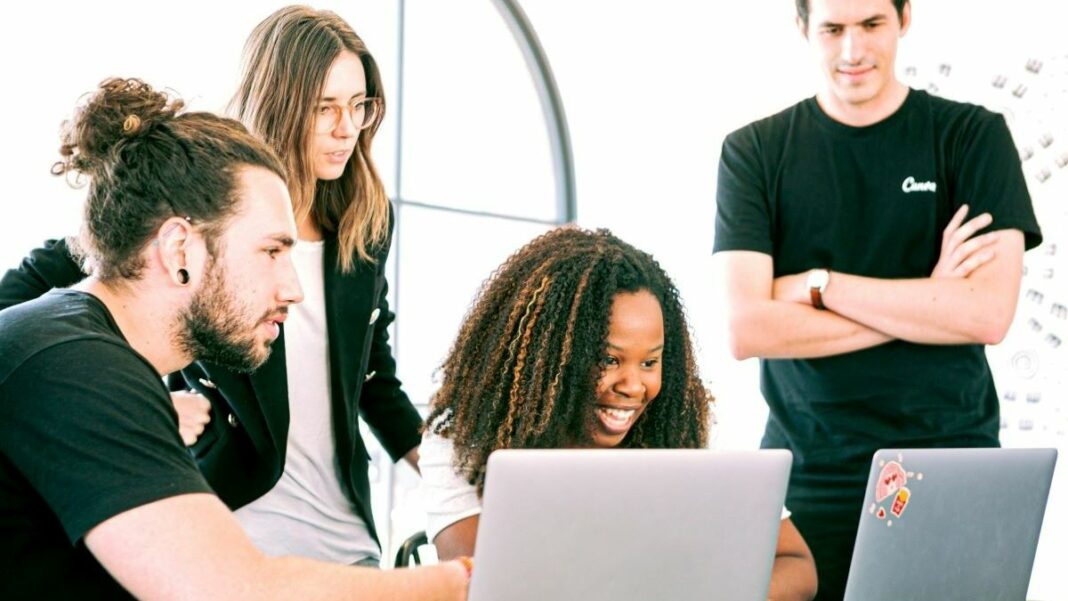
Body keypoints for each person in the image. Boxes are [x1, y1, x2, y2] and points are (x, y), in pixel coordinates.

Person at [0, 77, 468, 599]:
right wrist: (460, 581)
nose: (294, 289)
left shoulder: (90, 353)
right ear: (180, 249)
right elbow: (234, 590)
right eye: (271, 251)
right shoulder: (73, 366)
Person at [712, 0, 1042, 598]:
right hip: (807, 473)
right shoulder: (753, 153)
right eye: (833, 29)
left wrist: (819, 287)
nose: (852, 51)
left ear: (905, 18)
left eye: (871, 25)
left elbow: (988, 314)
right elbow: (748, 328)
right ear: (802, 29)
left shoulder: (972, 137)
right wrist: (932, 302)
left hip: (951, 462)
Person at [420, 227, 819, 601]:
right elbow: (485, 588)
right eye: (609, 359)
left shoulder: (677, 430)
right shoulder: (464, 437)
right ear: (551, 357)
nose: (632, 386)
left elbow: (798, 567)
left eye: (650, 363)